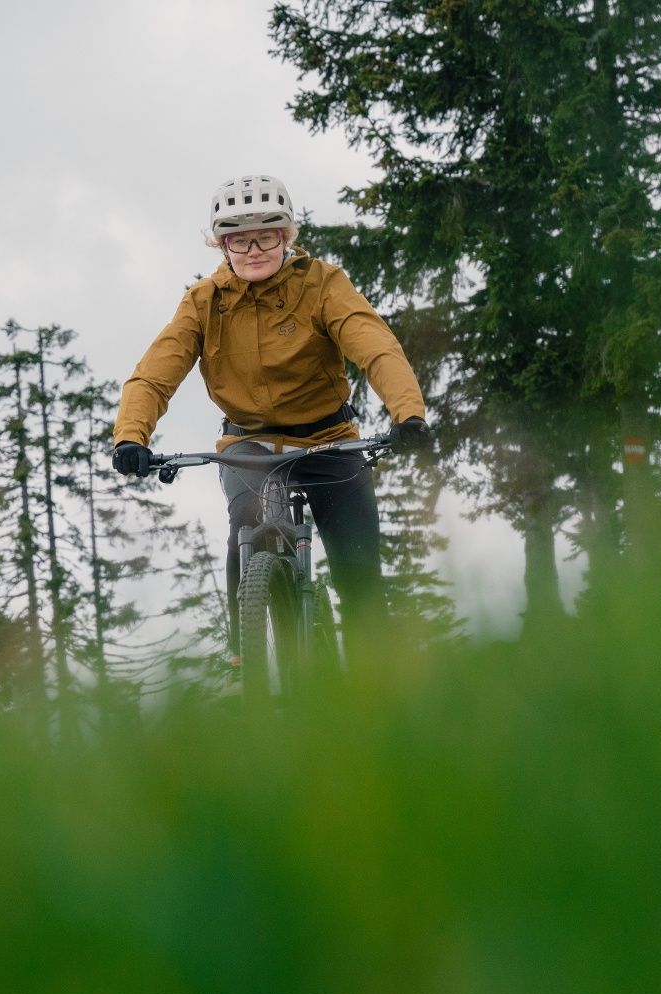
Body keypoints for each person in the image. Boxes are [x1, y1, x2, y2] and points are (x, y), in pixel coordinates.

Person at [112, 174, 430, 657]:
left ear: (287, 236)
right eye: (239, 237)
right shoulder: (203, 302)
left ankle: (374, 685)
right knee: (248, 519)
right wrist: (130, 438)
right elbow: (155, 373)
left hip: (329, 439)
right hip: (250, 444)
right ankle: (245, 659)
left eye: (268, 234)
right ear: (221, 244)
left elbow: (376, 347)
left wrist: (408, 414)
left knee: (359, 575)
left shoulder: (323, 284)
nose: (255, 248)